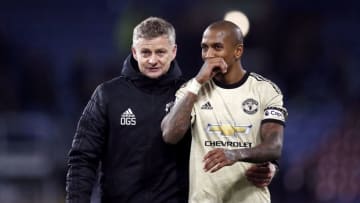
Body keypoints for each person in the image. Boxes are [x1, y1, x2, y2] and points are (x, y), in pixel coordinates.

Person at [66, 17, 277, 203]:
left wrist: (270, 167)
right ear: (134, 52)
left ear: (174, 51)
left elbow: (226, 142)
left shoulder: (195, 94)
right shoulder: (107, 95)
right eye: (145, 52)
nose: (152, 60)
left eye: (160, 52)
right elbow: (82, 157)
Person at [161, 20, 287, 203]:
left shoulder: (265, 90)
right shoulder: (191, 90)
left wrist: (234, 154)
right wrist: (198, 82)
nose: (208, 55)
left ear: (238, 51)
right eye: (205, 48)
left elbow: (274, 146)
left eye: (217, 47)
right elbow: (169, 135)